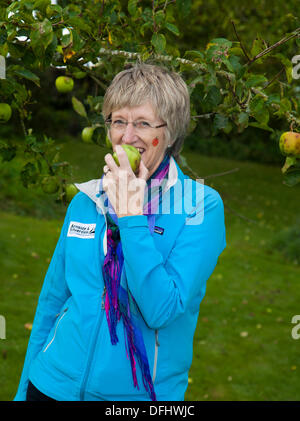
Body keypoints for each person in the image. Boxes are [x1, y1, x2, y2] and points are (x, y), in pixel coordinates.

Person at [14, 63, 226, 401]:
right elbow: (52, 301)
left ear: (170, 132)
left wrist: (130, 216)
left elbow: (161, 310)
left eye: (143, 123)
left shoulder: (200, 206)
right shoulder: (87, 200)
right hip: (51, 384)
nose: (127, 137)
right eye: (118, 122)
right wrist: (24, 390)